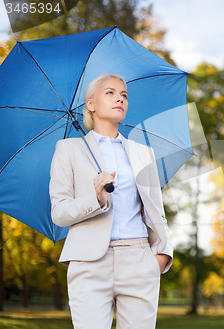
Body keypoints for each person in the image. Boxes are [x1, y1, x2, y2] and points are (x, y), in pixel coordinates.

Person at [49, 73, 173, 329]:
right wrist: (95, 198)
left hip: (139, 262)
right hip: (89, 264)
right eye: (110, 92)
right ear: (90, 104)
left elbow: (156, 210)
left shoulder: (143, 152)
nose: (120, 98)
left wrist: (161, 255)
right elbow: (59, 213)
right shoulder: (68, 149)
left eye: (124, 95)